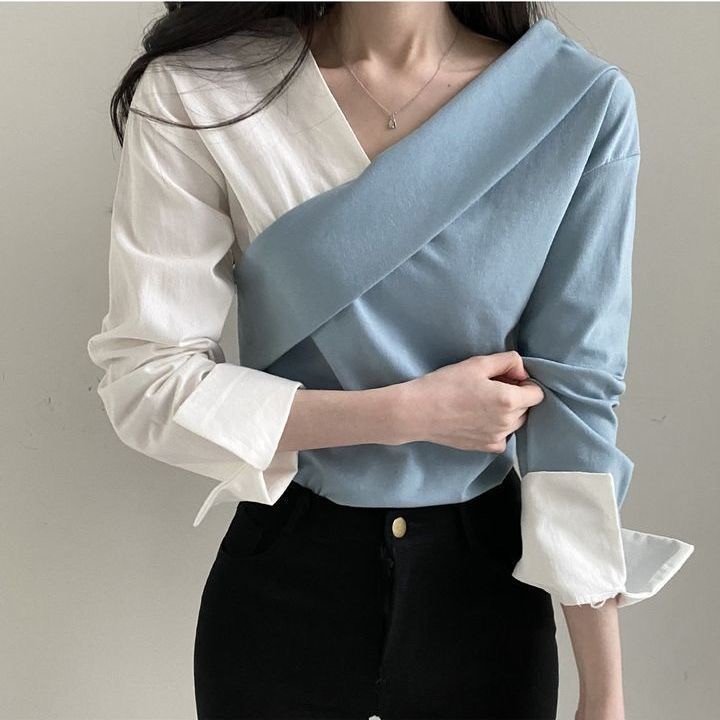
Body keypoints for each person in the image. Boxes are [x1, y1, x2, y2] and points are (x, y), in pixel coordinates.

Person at [87, 3, 694, 718]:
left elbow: (575, 404)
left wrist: (605, 695)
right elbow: (148, 381)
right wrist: (406, 413)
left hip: (483, 596)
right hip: (285, 582)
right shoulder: (204, 93)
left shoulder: (573, 103)